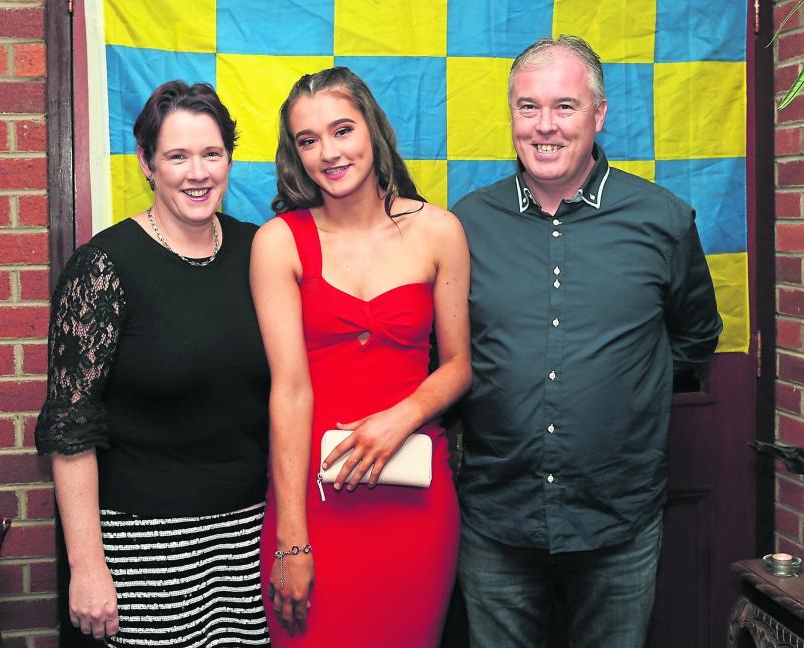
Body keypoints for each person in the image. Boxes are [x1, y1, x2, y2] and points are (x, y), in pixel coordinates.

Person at [451, 35, 723, 648]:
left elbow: (695, 336)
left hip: (618, 517)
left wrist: (626, 387)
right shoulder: (465, 225)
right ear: (511, 115)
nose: (544, 126)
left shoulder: (662, 220)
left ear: (598, 115)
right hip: (497, 517)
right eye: (528, 107)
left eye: (565, 107)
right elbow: (448, 350)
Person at [34, 81, 271, 645]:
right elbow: (71, 429)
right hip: (144, 550)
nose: (198, 172)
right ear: (146, 163)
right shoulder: (102, 269)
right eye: (177, 156)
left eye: (212, 154)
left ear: (230, 159)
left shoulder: (259, 250)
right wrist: (87, 568)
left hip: (246, 539)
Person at [250, 66, 471, 647]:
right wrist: (291, 539)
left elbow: (458, 365)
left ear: (372, 130)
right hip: (314, 503)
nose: (329, 151)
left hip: (414, 501)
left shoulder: (440, 231)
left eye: (342, 129)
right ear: (295, 155)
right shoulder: (278, 241)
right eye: (308, 140)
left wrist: (400, 419)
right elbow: (289, 391)